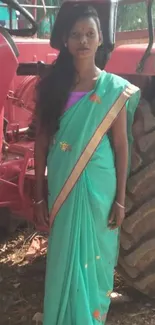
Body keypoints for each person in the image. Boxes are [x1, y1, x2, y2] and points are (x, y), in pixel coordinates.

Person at [34, 4, 140, 324]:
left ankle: (89, 316)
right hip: (63, 179)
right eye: (76, 34)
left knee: (97, 253)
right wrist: (39, 193)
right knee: (64, 251)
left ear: (100, 40)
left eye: (90, 34)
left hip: (101, 185)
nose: (83, 40)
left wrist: (120, 199)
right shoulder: (52, 87)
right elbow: (41, 142)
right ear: (65, 40)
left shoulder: (113, 89)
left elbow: (121, 146)